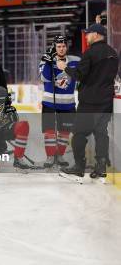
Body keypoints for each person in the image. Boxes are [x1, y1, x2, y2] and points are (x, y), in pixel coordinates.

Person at [57, 24, 119, 180]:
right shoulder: (113, 53)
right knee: (101, 133)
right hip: (106, 101)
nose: (86, 37)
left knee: (78, 134)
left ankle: (79, 167)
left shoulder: (90, 53)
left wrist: (65, 68)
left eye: (88, 34)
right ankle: (101, 167)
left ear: (96, 35)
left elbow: (79, 75)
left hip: (90, 101)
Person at [39, 36, 80, 168]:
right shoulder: (46, 60)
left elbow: (80, 76)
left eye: (63, 46)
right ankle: (50, 156)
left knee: (64, 132)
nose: (61, 49)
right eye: (59, 46)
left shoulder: (75, 62)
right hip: (49, 103)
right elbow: (44, 78)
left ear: (66, 47)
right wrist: (47, 63)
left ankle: (60, 156)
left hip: (68, 104)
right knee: (49, 132)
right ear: (54, 48)